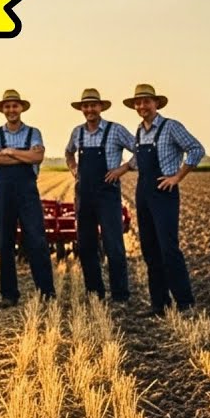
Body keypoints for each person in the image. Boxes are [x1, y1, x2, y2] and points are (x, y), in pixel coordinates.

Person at [124, 83, 204, 317]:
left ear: (156, 103)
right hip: (143, 193)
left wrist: (178, 176)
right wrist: (122, 168)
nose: (142, 106)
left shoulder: (171, 127)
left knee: (169, 249)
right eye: (138, 103)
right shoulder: (139, 131)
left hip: (164, 194)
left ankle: (185, 303)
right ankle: (159, 304)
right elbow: (137, 161)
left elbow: (196, 149)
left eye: (146, 101)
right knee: (149, 249)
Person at [63, 88, 136, 301]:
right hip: (84, 195)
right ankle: (94, 292)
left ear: (101, 107)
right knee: (86, 245)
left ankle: (120, 295)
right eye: (85, 106)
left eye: (93, 105)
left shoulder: (115, 130)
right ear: (81, 109)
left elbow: (139, 149)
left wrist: (122, 169)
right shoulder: (77, 132)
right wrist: (73, 168)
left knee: (113, 245)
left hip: (107, 194)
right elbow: (68, 152)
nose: (89, 109)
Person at [0, 89, 56, 306]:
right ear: (3, 110)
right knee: (5, 241)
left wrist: (11, 152)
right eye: (7, 106)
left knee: (36, 239)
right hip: (3, 190)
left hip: (27, 190)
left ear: (21, 108)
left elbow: (38, 156)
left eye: (14, 106)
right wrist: (23, 157)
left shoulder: (33, 132)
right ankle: (9, 295)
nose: (11, 110)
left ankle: (46, 293)